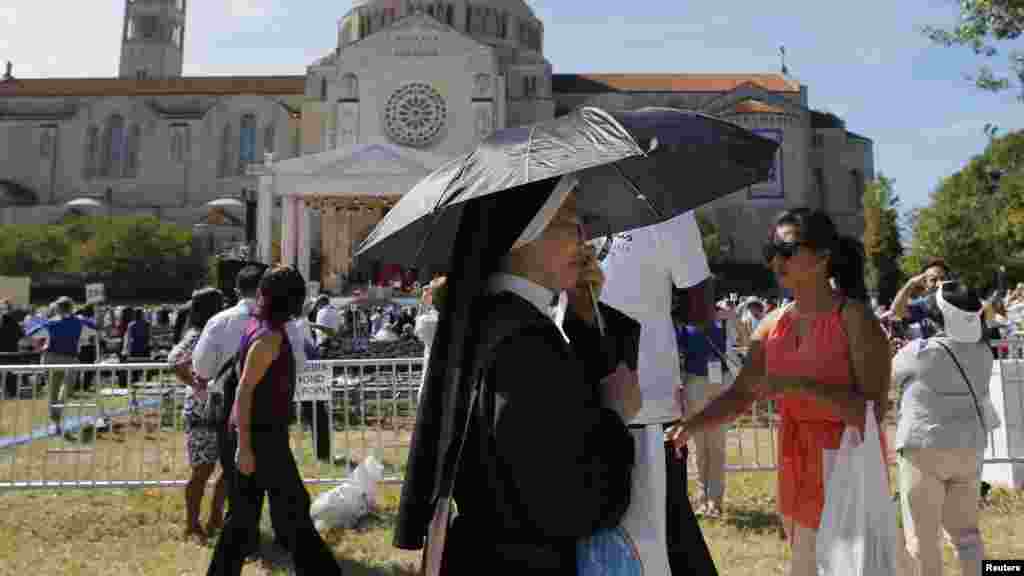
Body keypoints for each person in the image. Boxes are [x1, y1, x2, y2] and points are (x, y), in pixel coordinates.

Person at [395, 176, 641, 574]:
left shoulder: (489, 320)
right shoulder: (525, 341)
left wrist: (583, 320)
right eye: (568, 222)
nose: (584, 240)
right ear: (523, 235)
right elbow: (570, 503)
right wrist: (615, 415)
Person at [669, 208, 892, 576]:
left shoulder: (854, 317)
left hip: (846, 467)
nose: (776, 260)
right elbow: (741, 395)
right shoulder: (773, 324)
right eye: (770, 250)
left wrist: (797, 386)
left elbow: (869, 413)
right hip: (797, 466)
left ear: (823, 258)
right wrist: (690, 426)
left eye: (786, 250)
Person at [598, 210, 719, 575]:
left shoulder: (668, 212)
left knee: (665, 532)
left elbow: (700, 304)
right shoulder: (574, 201)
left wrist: (650, 326)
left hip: (648, 406)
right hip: (583, 400)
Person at [207, 266, 342, 575]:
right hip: (258, 438)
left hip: (257, 435)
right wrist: (244, 447)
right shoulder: (267, 338)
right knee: (289, 512)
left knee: (246, 520)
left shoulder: (263, 327)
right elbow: (244, 391)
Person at [193, 264, 311, 560]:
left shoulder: (226, 323)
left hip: (240, 423)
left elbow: (202, 368)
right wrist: (244, 446)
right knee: (289, 505)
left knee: (244, 512)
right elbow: (248, 390)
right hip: (260, 429)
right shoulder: (272, 334)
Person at [893, 281, 993, 576]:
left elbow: (890, 375)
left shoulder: (920, 351)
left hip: (923, 447)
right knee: (967, 536)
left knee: (923, 538)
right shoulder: (984, 353)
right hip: (969, 447)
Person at [168, 288, 227, 540]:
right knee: (203, 470)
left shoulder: (213, 330)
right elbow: (174, 360)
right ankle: (193, 523)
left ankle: (215, 517)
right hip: (203, 410)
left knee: (227, 467)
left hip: (219, 406)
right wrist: (197, 384)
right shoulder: (198, 333)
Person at [677, 277, 730, 518]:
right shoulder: (685, 323)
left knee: (716, 445)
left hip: (719, 384)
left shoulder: (723, 317)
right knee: (700, 446)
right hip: (696, 383)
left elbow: (740, 338)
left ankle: (715, 500)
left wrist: (731, 318)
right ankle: (702, 499)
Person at [25, 296, 98, 439]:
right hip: (68, 358)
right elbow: (95, 328)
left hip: (51, 357)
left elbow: (30, 334)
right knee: (65, 390)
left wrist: (43, 325)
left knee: (54, 391)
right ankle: (57, 421)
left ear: (57, 309)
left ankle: (56, 420)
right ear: (71, 308)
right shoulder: (79, 321)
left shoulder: (51, 323)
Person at [892, 259, 950, 339]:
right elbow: (896, 311)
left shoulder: (960, 299)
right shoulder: (923, 304)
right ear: (925, 284)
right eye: (933, 280)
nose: (939, 283)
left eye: (943, 278)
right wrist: (910, 283)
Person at [413, 276, 445, 400]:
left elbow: (418, 327)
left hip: (431, 389)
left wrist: (424, 301)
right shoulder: (462, 320)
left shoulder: (429, 322)